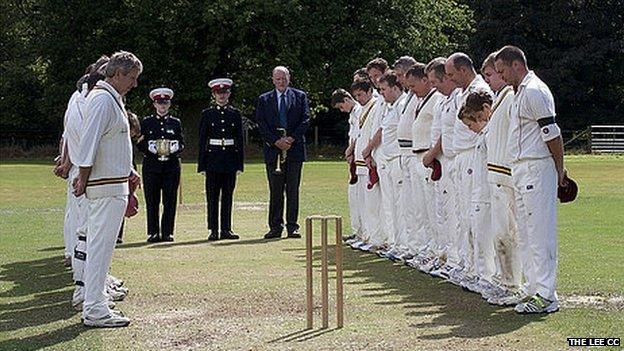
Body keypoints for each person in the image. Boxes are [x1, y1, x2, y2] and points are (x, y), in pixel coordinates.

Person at [73, 50, 142, 327]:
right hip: (104, 188)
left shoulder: (110, 99)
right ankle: (94, 308)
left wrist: (128, 171)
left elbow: (112, 145)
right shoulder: (103, 100)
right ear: (117, 74)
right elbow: (88, 143)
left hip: (111, 185)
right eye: (132, 78)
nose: (134, 84)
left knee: (102, 248)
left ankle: (97, 302)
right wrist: (83, 177)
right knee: (100, 249)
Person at [495, 45, 565, 314]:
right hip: (522, 170)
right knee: (525, 233)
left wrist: (560, 170)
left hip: (537, 168)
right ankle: (532, 288)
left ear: (516, 65)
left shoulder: (534, 91)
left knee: (540, 233)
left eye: (502, 71)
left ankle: (547, 296)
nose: (501, 77)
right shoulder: (518, 92)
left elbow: (552, 134)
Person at [444, 53, 493, 292]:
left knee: (476, 215)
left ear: (463, 70)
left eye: (452, 74)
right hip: (461, 157)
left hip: (474, 155)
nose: (450, 79)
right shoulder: (461, 92)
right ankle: (470, 267)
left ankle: (481, 271)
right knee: (464, 214)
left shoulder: (480, 89)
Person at [479, 52, 525, 306]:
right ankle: (503, 279)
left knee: (507, 233)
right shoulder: (500, 98)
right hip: (496, 175)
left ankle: (512, 284)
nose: (487, 81)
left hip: (506, 176)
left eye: (490, 75)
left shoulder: (510, 97)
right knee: (500, 233)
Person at [255, 66, 310, 239]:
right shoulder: (264, 99)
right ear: (272, 80)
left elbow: (306, 119)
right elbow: (261, 124)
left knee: (293, 189)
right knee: (275, 190)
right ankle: (275, 227)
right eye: (277, 79)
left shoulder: (300, 96)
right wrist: (276, 141)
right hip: (273, 151)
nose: (281, 82)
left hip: (294, 150)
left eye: (284, 78)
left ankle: (292, 226)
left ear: (289, 78)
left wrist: (291, 139)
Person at [197, 78, 244, 240]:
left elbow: (240, 140)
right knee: (212, 196)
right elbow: (202, 140)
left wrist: (240, 163)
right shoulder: (207, 114)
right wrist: (202, 164)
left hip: (230, 158)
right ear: (214, 94)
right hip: (213, 158)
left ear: (229, 93)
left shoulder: (235, 114)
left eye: (224, 92)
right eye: (218, 93)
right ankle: (213, 229)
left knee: (228, 196)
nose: (222, 96)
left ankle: (226, 228)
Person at [136, 87, 184, 243]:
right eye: (159, 103)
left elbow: (182, 142)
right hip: (152, 166)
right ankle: (153, 232)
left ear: (169, 104)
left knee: (170, 200)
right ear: (154, 104)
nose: (162, 106)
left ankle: (167, 232)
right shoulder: (147, 122)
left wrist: (177, 147)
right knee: (152, 200)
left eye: (165, 103)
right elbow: (139, 143)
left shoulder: (175, 122)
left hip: (171, 166)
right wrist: (149, 148)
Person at [331, 88, 363, 238]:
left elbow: (358, 135)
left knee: (360, 197)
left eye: (341, 107)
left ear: (346, 100)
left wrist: (350, 150)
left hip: (358, 157)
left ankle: (363, 233)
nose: (342, 110)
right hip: (354, 158)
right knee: (354, 197)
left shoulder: (359, 111)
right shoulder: (353, 113)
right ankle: (358, 232)